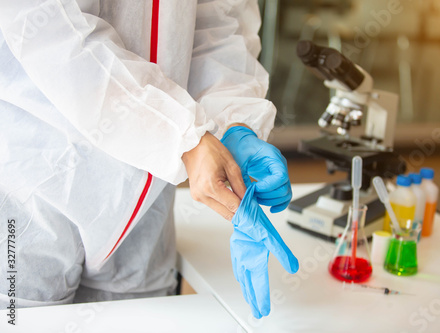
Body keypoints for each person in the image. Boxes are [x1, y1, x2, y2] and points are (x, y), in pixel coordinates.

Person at [0, 0, 294, 314]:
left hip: (146, 211)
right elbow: (55, 33)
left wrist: (234, 122)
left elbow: (220, 25)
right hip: (37, 191)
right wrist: (183, 137)